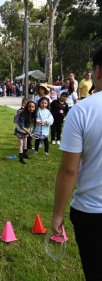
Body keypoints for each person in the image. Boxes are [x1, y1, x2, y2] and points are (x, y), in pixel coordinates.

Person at [50, 44, 102, 280]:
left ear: (98, 72)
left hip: (92, 213)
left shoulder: (82, 111)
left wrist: (57, 214)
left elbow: (69, 171)